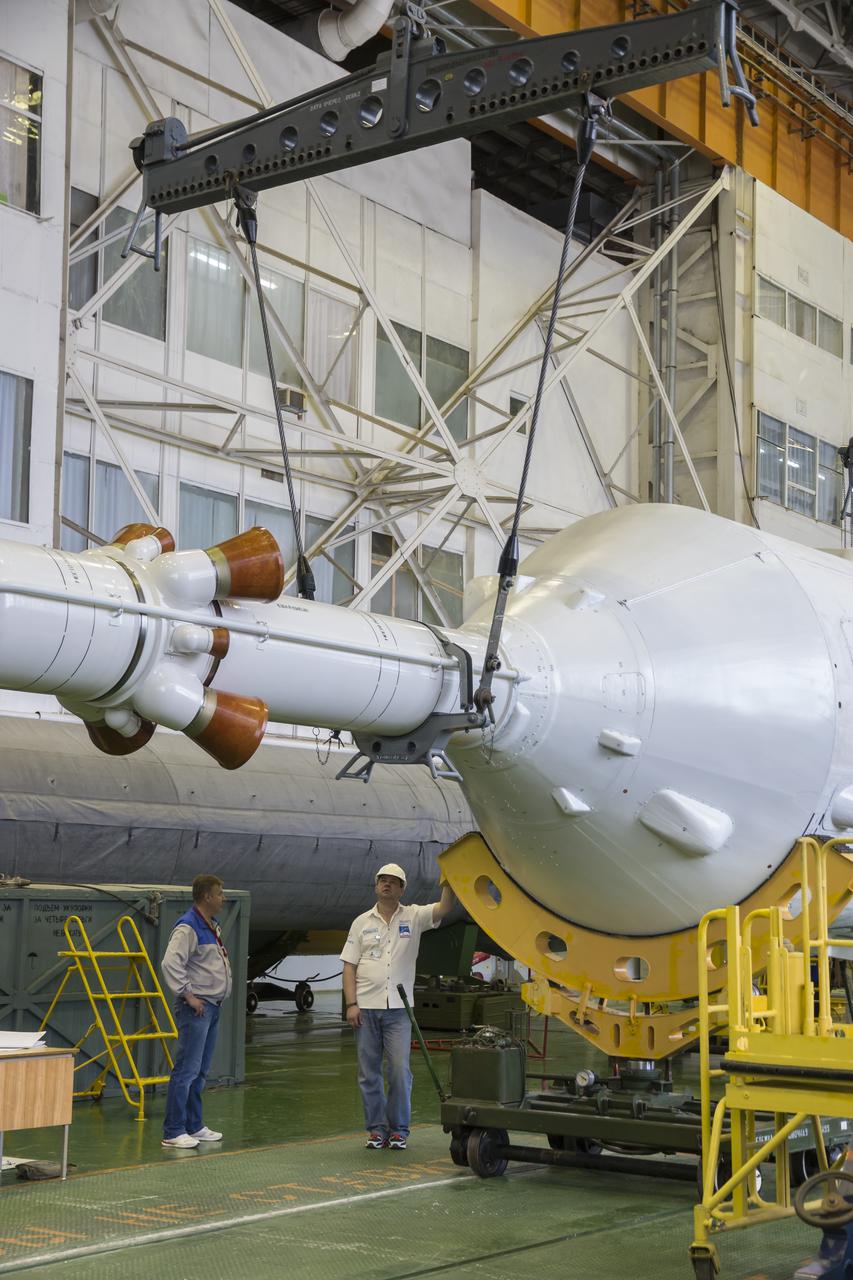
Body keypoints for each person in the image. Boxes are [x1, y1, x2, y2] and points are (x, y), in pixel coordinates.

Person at [341, 862, 454, 1151]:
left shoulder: (414, 916)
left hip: (399, 1011)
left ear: (402, 889)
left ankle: (399, 1130)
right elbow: (349, 966)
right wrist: (352, 1004)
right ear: (376, 886)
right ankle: (377, 1130)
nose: (387, 885)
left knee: (399, 1071)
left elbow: (442, 909)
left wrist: (449, 883)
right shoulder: (361, 922)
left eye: (393, 881)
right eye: (382, 880)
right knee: (369, 1072)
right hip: (365, 1009)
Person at [160, 874, 232, 1149]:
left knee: (200, 1070)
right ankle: (173, 1130)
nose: (223, 898)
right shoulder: (188, 928)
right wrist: (189, 995)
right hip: (198, 1008)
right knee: (186, 1070)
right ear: (207, 897)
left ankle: (194, 1124)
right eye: (220, 893)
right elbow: (170, 963)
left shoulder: (210, 926)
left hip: (212, 1006)